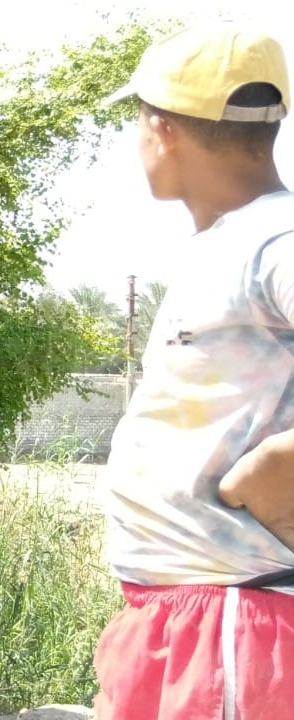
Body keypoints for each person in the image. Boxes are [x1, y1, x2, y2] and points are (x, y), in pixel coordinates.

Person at [94, 26, 294, 719]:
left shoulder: (274, 238)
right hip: (189, 616)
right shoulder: (235, 242)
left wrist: (275, 463)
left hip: (235, 625)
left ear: (162, 127)